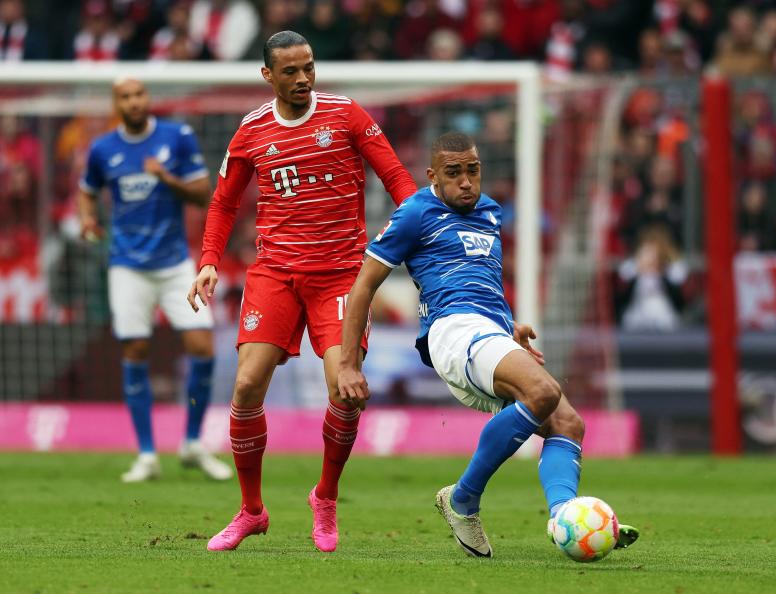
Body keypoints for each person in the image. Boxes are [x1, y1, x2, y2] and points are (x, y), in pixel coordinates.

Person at [337, 132, 640, 558]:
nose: (465, 182)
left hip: (487, 331)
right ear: (433, 176)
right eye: (454, 173)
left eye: (472, 171)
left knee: (568, 424)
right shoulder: (415, 213)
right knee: (544, 392)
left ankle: (563, 518)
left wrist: (507, 327)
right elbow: (363, 287)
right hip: (452, 331)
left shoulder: (491, 213)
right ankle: (463, 499)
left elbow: (479, 282)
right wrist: (349, 364)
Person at [187, 31, 417, 553]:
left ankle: (326, 498)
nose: (303, 79)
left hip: (340, 277)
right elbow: (224, 204)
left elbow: (399, 181)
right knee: (246, 386)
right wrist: (208, 262)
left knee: (344, 389)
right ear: (268, 76)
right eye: (290, 71)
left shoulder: (347, 115)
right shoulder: (251, 131)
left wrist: (420, 240)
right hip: (274, 274)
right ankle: (251, 511)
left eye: (308, 67)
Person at [78, 77, 232, 483]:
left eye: (139, 94)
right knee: (136, 349)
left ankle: (193, 442)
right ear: (117, 105)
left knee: (202, 343)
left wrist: (166, 178)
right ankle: (146, 453)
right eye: (125, 97)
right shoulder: (102, 149)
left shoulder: (176, 137)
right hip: (127, 266)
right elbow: (86, 189)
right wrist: (87, 217)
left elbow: (204, 194)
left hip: (174, 263)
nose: (134, 102)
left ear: (148, 99)